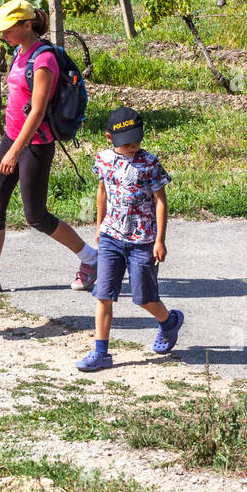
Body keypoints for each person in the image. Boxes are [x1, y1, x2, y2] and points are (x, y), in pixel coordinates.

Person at [0, 0, 98, 293]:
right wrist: (9, 143)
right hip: (12, 137)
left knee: (36, 215)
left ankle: (90, 258)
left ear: (26, 25)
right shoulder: (19, 51)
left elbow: (38, 111)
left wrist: (15, 150)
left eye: (8, 29)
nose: (2, 34)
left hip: (34, 144)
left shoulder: (43, 59)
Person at [76, 107, 182, 371]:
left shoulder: (150, 163)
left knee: (143, 297)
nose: (133, 145)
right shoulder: (103, 160)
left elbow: (160, 202)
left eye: (137, 139)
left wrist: (160, 240)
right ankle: (101, 353)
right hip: (112, 237)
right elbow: (102, 193)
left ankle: (168, 322)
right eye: (126, 142)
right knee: (104, 294)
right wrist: (99, 226)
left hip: (143, 240)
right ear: (110, 139)